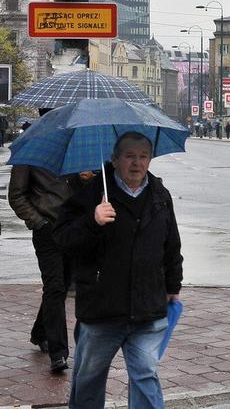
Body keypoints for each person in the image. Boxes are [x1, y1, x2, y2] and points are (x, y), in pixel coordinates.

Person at [53, 132, 183, 408]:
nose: (136, 163)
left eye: (143, 156)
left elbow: (171, 244)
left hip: (147, 307)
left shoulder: (160, 195)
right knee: (89, 377)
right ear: (114, 160)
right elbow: (63, 239)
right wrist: (92, 221)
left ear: (150, 159)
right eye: (129, 156)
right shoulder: (91, 195)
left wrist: (173, 286)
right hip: (102, 309)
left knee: (145, 373)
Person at [8, 134, 95, 373]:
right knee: (55, 286)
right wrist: (37, 222)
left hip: (72, 228)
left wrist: (87, 179)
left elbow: (83, 193)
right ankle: (59, 352)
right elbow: (16, 195)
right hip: (47, 230)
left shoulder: (74, 147)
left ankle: (39, 332)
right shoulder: (30, 151)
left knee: (62, 285)